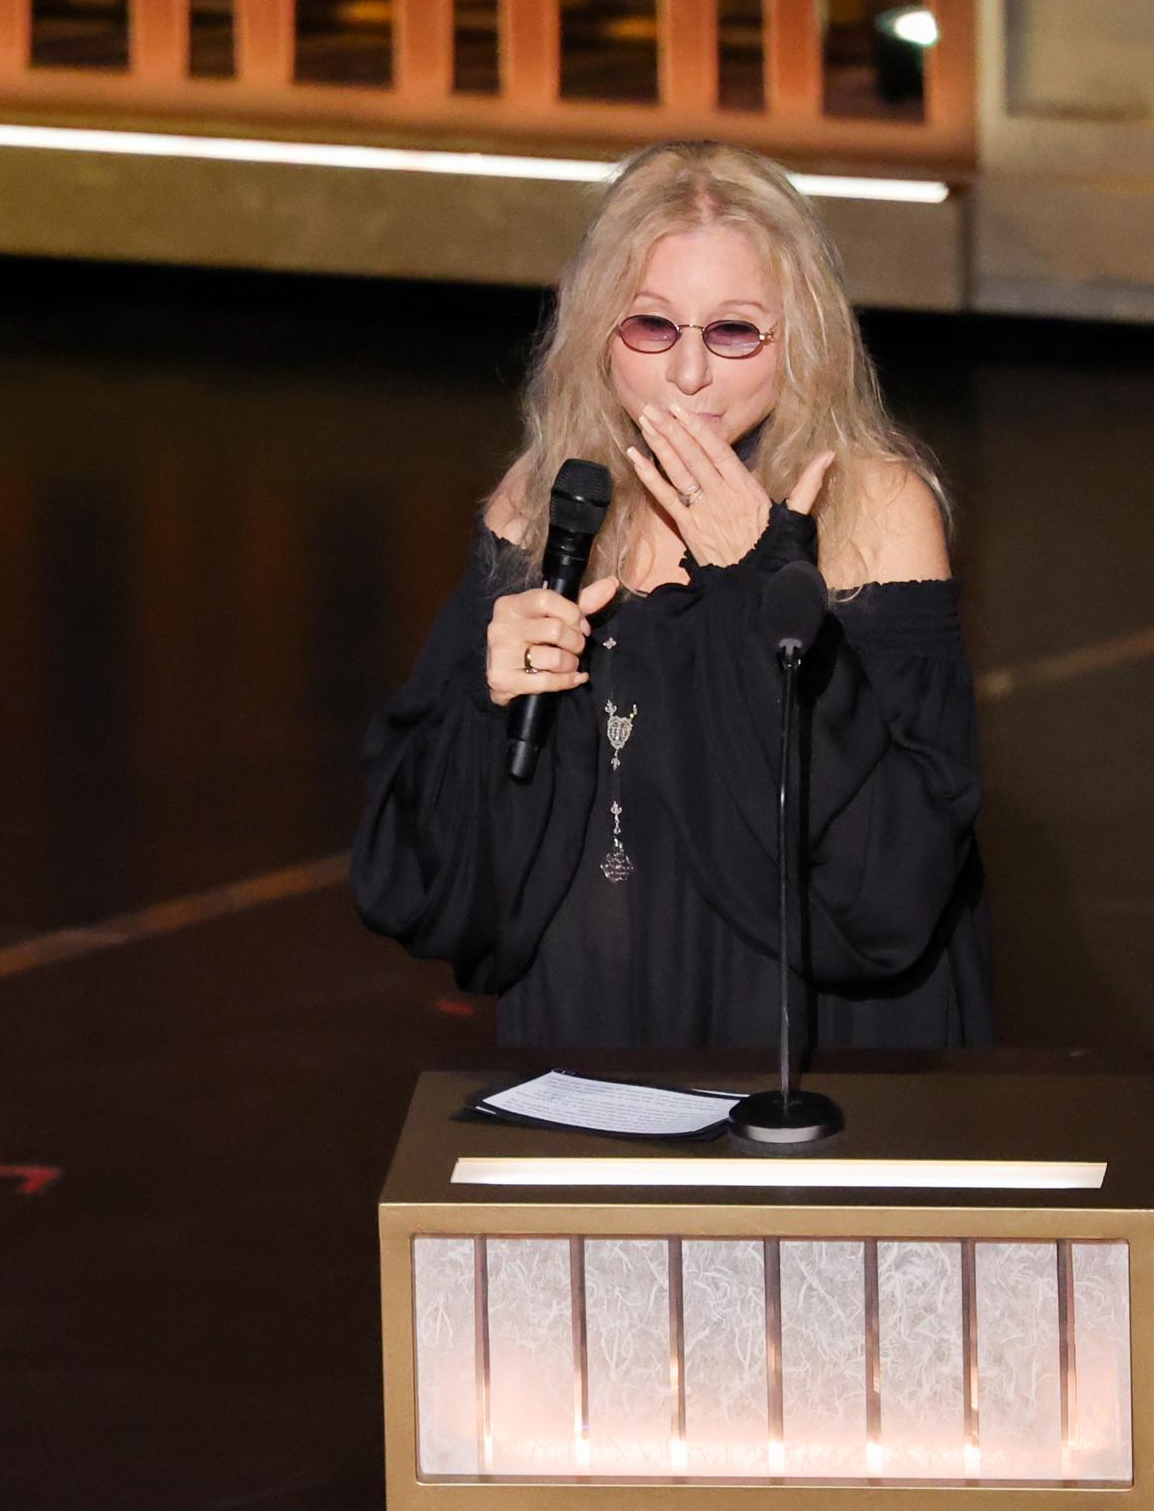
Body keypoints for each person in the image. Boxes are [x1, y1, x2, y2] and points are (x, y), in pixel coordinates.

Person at [352, 140, 989, 1050]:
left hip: (797, 1051)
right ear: (596, 330)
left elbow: (895, 886)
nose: (689, 375)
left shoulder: (873, 505)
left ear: (802, 337)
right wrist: (488, 704)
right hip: (586, 1034)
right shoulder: (544, 498)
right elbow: (425, 880)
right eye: (652, 327)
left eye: (733, 332)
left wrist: (759, 578)